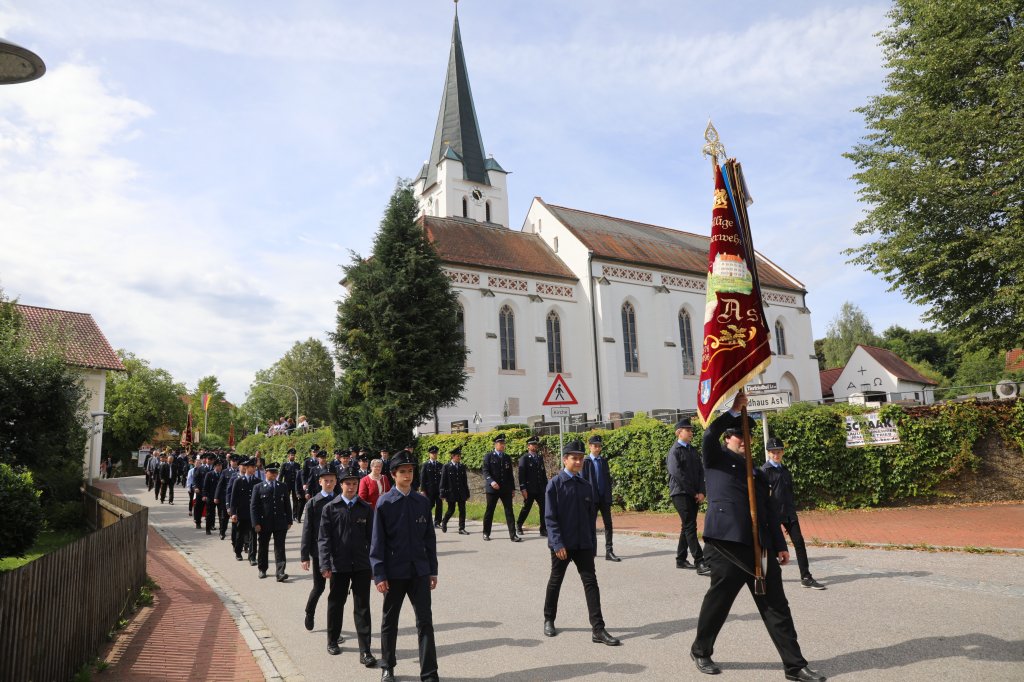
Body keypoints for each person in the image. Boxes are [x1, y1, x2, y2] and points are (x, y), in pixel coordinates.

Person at [690, 393, 825, 681]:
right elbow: (709, 433)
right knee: (719, 603)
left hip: (760, 549)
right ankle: (701, 650)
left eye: (747, 434)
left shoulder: (758, 472)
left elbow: (769, 512)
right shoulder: (715, 459)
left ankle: (794, 665)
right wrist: (733, 411)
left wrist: (779, 545)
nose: (743, 439)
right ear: (728, 439)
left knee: (776, 606)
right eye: (738, 434)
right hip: (726, 546)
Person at [542, 440, 620, 646]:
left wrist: (593, 544)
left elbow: (589, 519)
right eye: (574, 458)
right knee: (555, 581)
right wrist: (557, 544)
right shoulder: (555, 485)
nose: (578, 461)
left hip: (583, 543)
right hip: (563, 545)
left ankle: (598, 629)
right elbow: (550, 518)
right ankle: (549, 618)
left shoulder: (586, 486)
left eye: (580, 458)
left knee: (591, 584)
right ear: (565, 460)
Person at [370, 450, 439, 682]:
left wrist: (432, 570)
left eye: (410, 471)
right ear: (394, 474)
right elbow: (377, 542)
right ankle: (387, 667)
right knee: (390, 622)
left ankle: (429, 672)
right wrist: (379, 575)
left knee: (425, 622)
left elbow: (429, 539)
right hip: (394, 573)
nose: (407, 476)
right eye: (403, 472)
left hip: (419, 571)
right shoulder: (385, 503)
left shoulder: (421, 501)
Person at [319, 470, 377, 667]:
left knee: (362, 608)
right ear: (340, 485)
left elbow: (373, 540)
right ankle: (332, 640)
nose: (351, 487)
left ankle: (365, 651)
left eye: (354, 484)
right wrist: (325, 564)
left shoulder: (366, 508)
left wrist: (375, 565)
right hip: (339, 565)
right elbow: (324, 539)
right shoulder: (330, 508)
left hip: (361, 565)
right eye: (347, 484)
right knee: (336, 603)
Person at [762, 437, 825, 590]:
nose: (776, 454)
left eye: (779, 451)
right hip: (773, 515)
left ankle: (806, 576)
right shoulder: (764, 472)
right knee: (769, 547)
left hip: (789, 513)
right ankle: (763, 576)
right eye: (773, 452)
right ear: (768, 453)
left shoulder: (785, 471)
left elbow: (788, 493)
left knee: (799, 543)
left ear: (782, 452)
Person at [668, 417, 708, 573]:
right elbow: (677, 475)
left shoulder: (692, 450)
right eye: (688, 430)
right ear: (679, 432)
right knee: (691, 526)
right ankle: (700, 561)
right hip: (680, 494)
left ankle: (681, 559)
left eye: (691, 430)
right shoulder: (674, 451)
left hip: (693, 494)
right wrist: (694, 492)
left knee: (687, 526)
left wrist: (702, 491)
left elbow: (700, 472)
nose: (691, 433)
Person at [301, 468, 337, 632]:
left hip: (338, 552)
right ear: (320, 482)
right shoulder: (313, 503)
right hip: (320, 552)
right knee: (319, 587)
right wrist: (304, 556)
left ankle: (333, 628)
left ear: (336, 482)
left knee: (336, 591)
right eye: (326, 481)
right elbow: (307, 530)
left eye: (331, 480)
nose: (329, 483)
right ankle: (310, 612)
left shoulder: (340, 500)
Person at [251, 462, 293, 582]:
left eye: (276, 472)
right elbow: (254, 507)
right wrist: (256, 523)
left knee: (280, 548)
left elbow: (287, 504)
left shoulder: (282, 486)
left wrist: (289, 520)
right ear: (266, 473)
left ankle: (280, 572)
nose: (274, 474)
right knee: (263, 546)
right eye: (272, 472)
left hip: (280, 522)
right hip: (264, 523)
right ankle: (262, 568)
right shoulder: (258, 487)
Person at [581, 434, 620, 561]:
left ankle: (609, 550)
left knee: (608, 524)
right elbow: (584, 481)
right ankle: (592, 550)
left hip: (604, 498)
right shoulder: (586, 462)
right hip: (592, 499)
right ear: (590, 447)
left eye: (599, 446)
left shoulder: (603, 461)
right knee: (591, 524)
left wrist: (609, 494)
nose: (597, 449)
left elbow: (607, 480)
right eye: (595, 446)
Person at [481, 433, 521, 542]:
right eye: (501, 443)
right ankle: (486, 533)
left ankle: (513, 535)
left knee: (509, 511)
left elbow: (510, 475)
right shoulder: (489, 456)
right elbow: (485, 471)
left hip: (505, 489)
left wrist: (512, 489)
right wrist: (491, 481)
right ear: (496, 444)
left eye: (504, 443)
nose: (503, 445)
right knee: (490, 511)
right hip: (493, 489)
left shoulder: (507, 457)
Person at [228, 458, 259, 565]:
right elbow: (234, 498)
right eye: (252, 467)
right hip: (241, 513)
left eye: (255, 467)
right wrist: (233, 513)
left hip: (254, 514)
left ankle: (252, 556)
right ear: (246, 468)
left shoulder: (257, 481)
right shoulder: (238, 481)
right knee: (240, 534)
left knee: (253, 536)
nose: (254, 469)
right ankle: (238, 552)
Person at [517, 435, 548, 536]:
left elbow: (543, 473)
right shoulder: (524, 458)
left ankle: (543, 529)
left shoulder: (539, 457)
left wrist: (546, 487)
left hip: (540, 488)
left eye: (536, 444)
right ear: (528, 446)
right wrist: (523, 488)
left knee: (544, 508)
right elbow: (521, 475)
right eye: (532, 445)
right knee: (526, 508)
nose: (535, 446)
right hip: (529, 489)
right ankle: (519, 525)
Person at [439, 446, 470, 535]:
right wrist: (442, 493)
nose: (459, 457)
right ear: (453, 456)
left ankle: (461, 528)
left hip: (461, 492)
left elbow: (465, 481)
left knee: (462, 510)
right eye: (457, 456)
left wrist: (467, 493)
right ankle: (444, 521)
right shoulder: (446, 466)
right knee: (451, 510)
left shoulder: (462, 466)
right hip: (451, 492)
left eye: (460, 456)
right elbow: (443, 480)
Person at [215, 454, 241, 542]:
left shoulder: (240, 472)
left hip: (237, 498)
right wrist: (216, 496)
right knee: (224, 517)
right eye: (233, 461)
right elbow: (220, 484)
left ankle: (236, 536)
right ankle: (222, 532)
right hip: (226, 497)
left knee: (236, 517)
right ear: (230, 462)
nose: (235, 463)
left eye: (236, 461)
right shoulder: (225, 471)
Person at [420, 446, 444, 528]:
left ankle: (437, 522)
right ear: (429, 454)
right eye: (432, 453)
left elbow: (443, 479)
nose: (434, 455)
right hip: (429, 490)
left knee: (439, 506)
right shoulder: (425, 465)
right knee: (429, 505)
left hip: (439, 490)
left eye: (435, 453)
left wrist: (443, 490)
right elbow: (422, 478)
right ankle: (425, 520)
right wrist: (422, 490)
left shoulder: (441, 465)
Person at [202, 458, 224, 535]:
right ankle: (208, 529)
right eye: (218, 465)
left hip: (221, 498)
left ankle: (222, 531)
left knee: (221, 515)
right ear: (214, 466)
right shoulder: (209, 474)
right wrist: (204, 495)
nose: (219, 467)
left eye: (220, 465)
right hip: (210, 497)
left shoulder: (223, 474)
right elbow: (205, 486)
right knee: (209, 514)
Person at [281, 448, 303, 522]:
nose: (292, 456)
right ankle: (286, 515)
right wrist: (279, 485)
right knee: (286, 500)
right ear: (288, 456)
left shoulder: (297, 465)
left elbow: (299, 476)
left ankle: (295, 515)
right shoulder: (284, 465)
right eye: (291, 455)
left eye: (293, 455)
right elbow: (281, 476)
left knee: (295, 500)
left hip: (295, 485)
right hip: (286, 485)